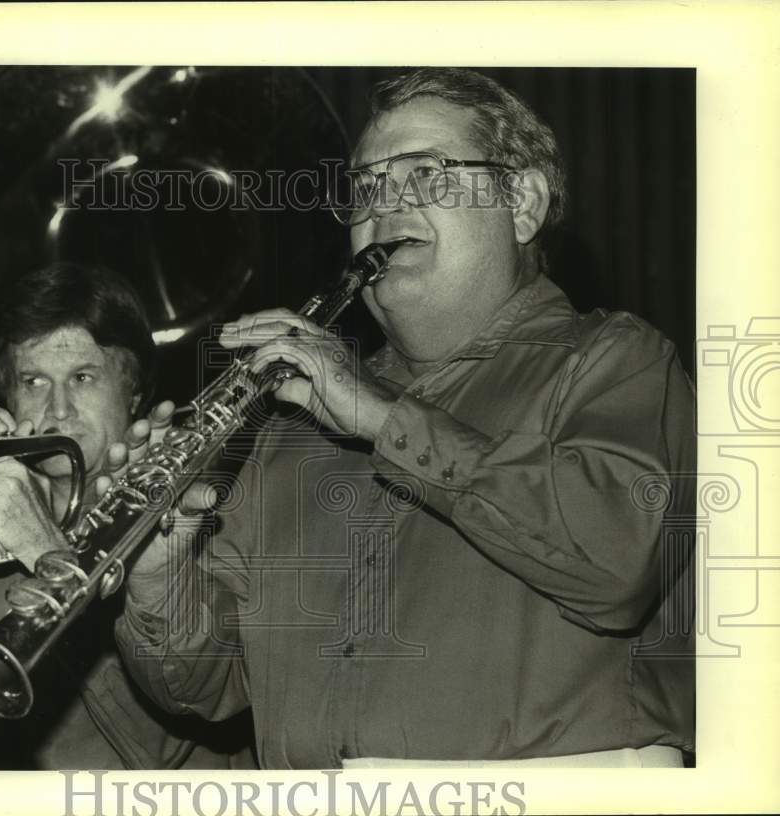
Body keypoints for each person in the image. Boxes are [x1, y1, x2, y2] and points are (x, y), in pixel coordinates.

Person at [113, 68, 696, 769]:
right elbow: (211, 687)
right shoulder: (295, 427)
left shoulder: (615, 359)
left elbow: (613, 563)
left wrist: (381, 417)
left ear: (523, 204)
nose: (385, 205)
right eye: (366, 187)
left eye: (425, 174)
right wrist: (159, 575)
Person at [0, 261, 254, 769]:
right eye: (33, 381)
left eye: (83, 377)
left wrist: (45, 550)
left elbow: (202, 701)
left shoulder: (198, 503)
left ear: (134, 392)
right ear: (8, 394)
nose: (59, 409)